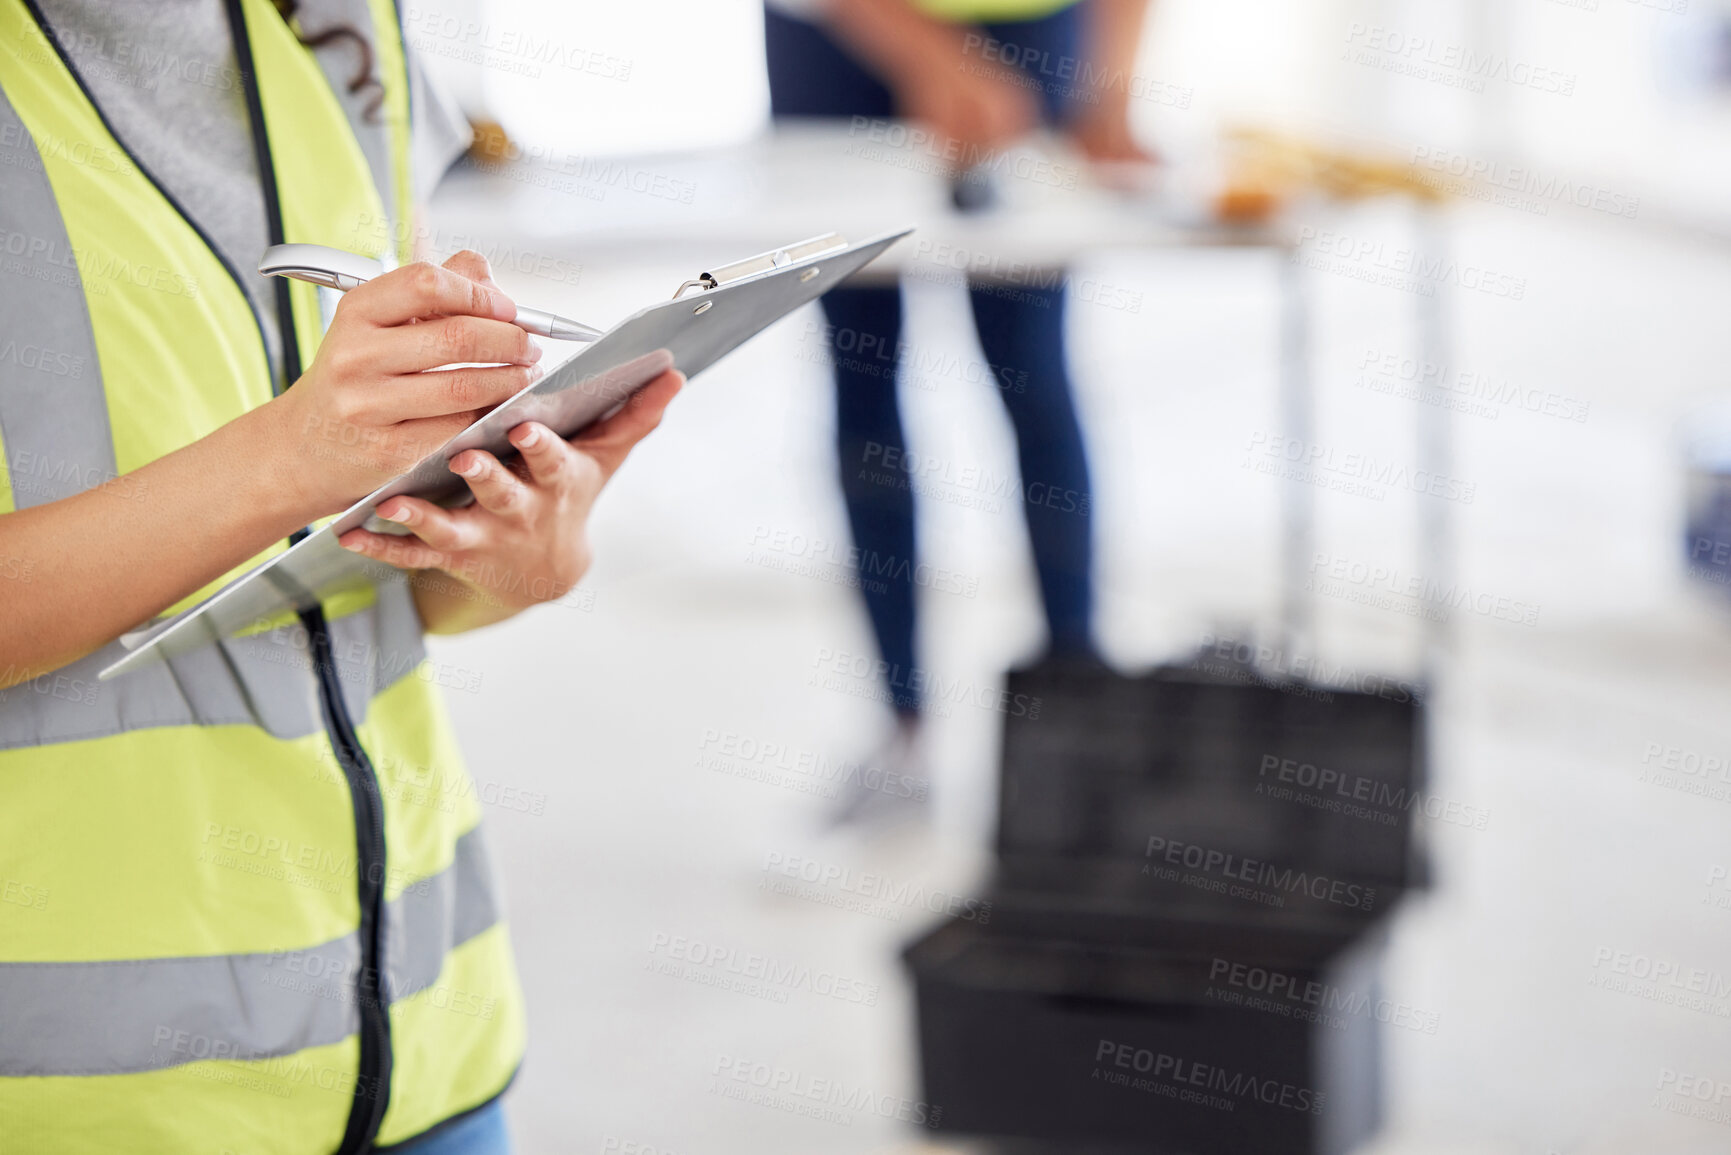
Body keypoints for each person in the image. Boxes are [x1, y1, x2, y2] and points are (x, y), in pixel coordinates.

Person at [0, 2, 681, 1152]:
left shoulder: (339, 21)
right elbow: (301, 461)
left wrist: (522, 549)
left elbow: (389, 573)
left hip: (427, 1058)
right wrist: (285, 459)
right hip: (93, 1103)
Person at [763, 0, 1151, 820]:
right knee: (862, 382)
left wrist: (1109, 86)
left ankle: (1078, 732)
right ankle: (901, 733)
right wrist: (920, 48)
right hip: (832, 42)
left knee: (1033, 376)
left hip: (1032, 31)